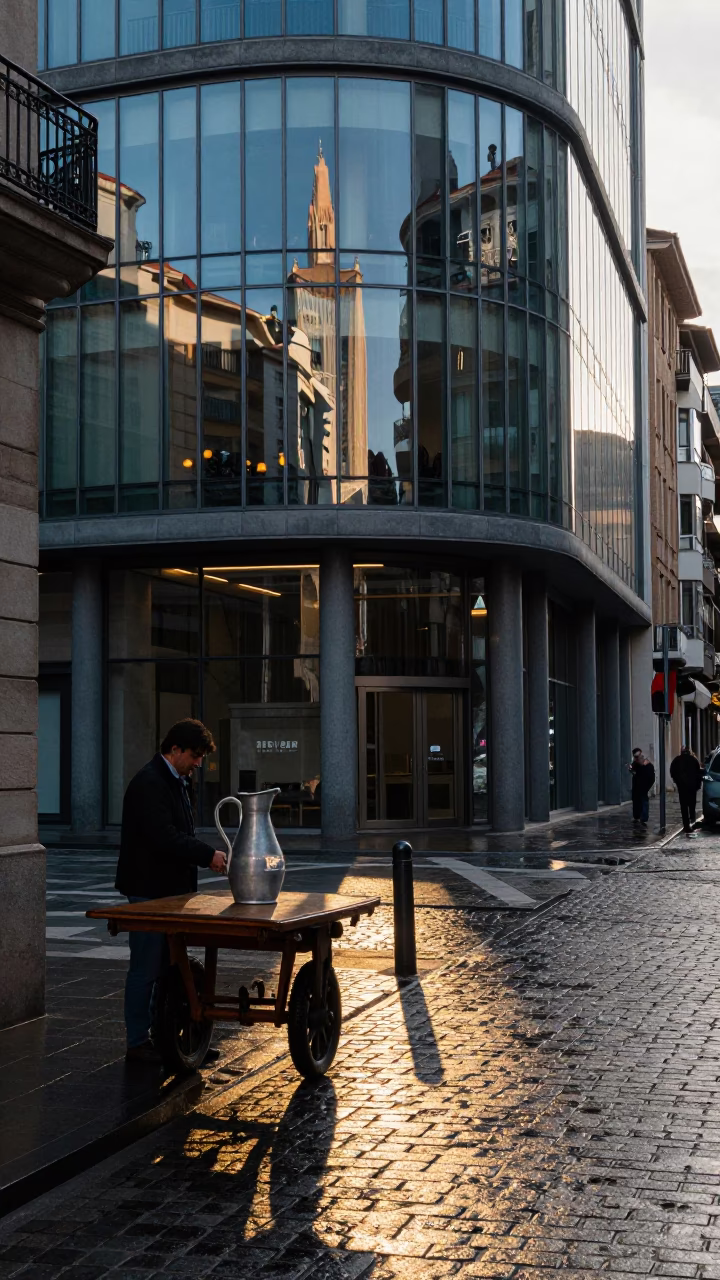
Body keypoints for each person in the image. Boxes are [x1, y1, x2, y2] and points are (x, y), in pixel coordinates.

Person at [115, 718, 227, 1064]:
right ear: (174, 749)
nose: (198, 763)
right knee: (146, 967)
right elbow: (163, 837)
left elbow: (180, 832)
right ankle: (138, 1042)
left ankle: (173, 1043)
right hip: (150, 889)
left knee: (167, 966)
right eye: (194, 756)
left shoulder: (177, 779)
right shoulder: (150, 782)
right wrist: (207, 855)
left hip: (169, 891)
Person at [669, 746, 703, 836]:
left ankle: (686, 825)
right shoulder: (694, 760)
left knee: (683, 806)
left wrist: (677, 782)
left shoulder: (676, 760)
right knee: (692, 804)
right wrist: (698, 785)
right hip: (692, 786)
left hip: (682, 787)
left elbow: (672, 772)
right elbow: (699, 773)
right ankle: (692, 818)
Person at [629, 747, 655, 827]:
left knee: (643, 801)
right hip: (637, 787)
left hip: (643, 787)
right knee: (636, 801)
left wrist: (646, 787)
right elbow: (632, 771)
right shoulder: (635, 765)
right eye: (635, 757)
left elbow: (651, 778)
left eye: (638, 757)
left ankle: (643, 818)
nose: (637, 759)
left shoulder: (648, 765)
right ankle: (637, 816)